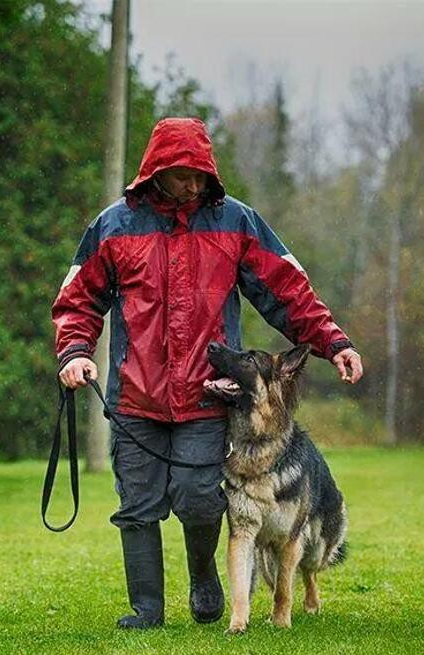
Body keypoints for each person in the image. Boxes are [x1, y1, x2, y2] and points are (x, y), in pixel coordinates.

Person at [52, 117, 363, 629]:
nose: (193, 185)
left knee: (200, 501)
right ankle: (146, 611)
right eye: (182, 175)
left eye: (201, 175)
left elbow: (288, 290)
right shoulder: (113, 226)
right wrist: (74, 352)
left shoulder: (235, 223)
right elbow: (77, 300)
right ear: (156, 171)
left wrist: (334, 342)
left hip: (207, 396)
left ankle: (203, 579)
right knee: (137, 506)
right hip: (134, 397)